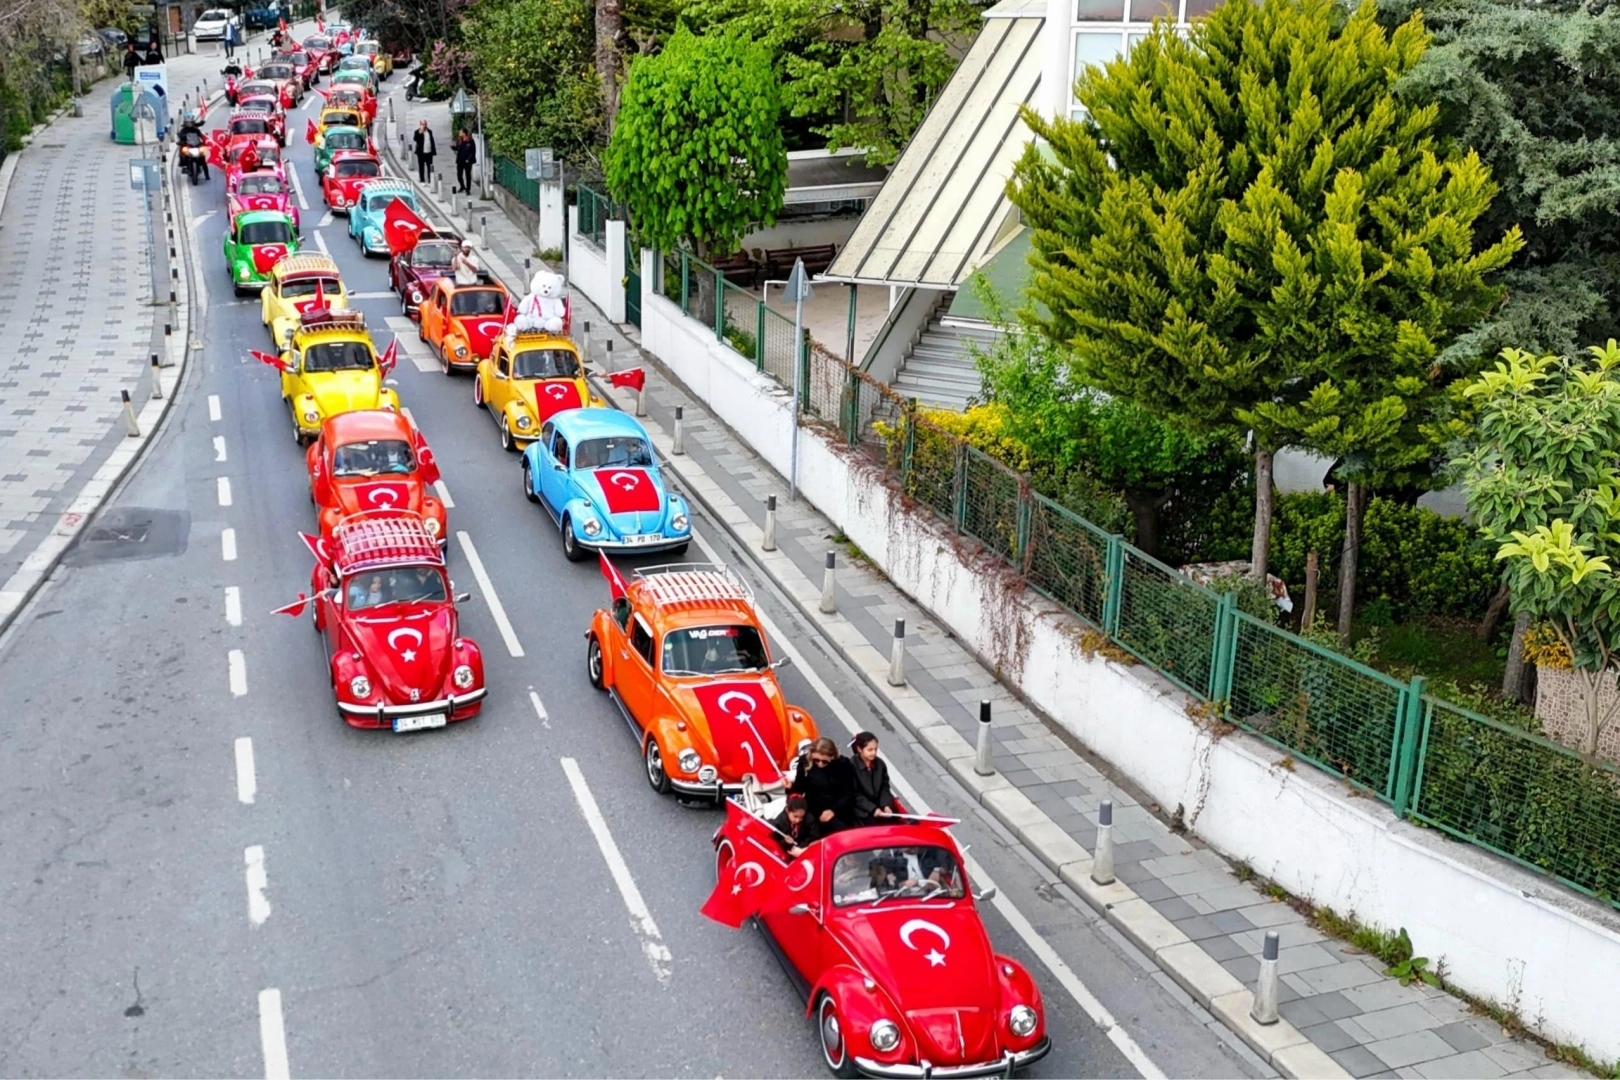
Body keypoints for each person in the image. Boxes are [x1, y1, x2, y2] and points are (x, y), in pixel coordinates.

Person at [790, 736, 858, 834]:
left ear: (833, 757)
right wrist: (789, 788)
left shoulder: (843, 764)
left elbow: (849, 793)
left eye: (825, 761)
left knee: (844, 833)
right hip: (813, 808)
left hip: (837, 808)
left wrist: (833, 810)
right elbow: (799, 789)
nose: (820, 764)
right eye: (816, 760)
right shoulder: (805, 762)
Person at [850, 732, 897, 825]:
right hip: (861, 810)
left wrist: (886, 805)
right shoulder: (851, 766)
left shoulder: (880, 764)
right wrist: (872, 809)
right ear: (860, 749)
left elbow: (884, 787)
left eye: (875, 749)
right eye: (870, 750)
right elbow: (855, 795)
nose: (874, 753)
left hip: (879, 804)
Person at [769, 794, 819, 859]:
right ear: (787, 811)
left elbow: (814, 836)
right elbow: (777, 841)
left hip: (806, 849)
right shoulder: (779, 822)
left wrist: (801, 847)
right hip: (789, 853)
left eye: (801, 817)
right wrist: (786, 843)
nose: (798, 820)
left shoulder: (809, 819)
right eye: (795, 816)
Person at [177, 111, 210, 180]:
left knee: (203, 159)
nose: (189, 124)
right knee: (182, 151)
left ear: (192, 122)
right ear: (185, 122)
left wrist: (205, 141)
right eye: (188, 122)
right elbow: (180, 135)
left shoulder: (195, 129)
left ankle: (207, 175)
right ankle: (182, 162)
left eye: (190, 122)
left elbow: (201, 135)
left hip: (196, 145)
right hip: (188, 145)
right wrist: (181, 140)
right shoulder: (183, 130)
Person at [453, 129, 476, 194]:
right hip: (460, 161)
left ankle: (468, 189)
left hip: (467, 162)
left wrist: (468, 159)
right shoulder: (459, 140)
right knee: (459, 175)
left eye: (460, 132)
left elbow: (472, 151)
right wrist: (453, 147)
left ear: (464, 133)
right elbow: (457, 148)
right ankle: (462, 186)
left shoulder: (470, 141)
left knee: (468, 175)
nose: (459, 134)